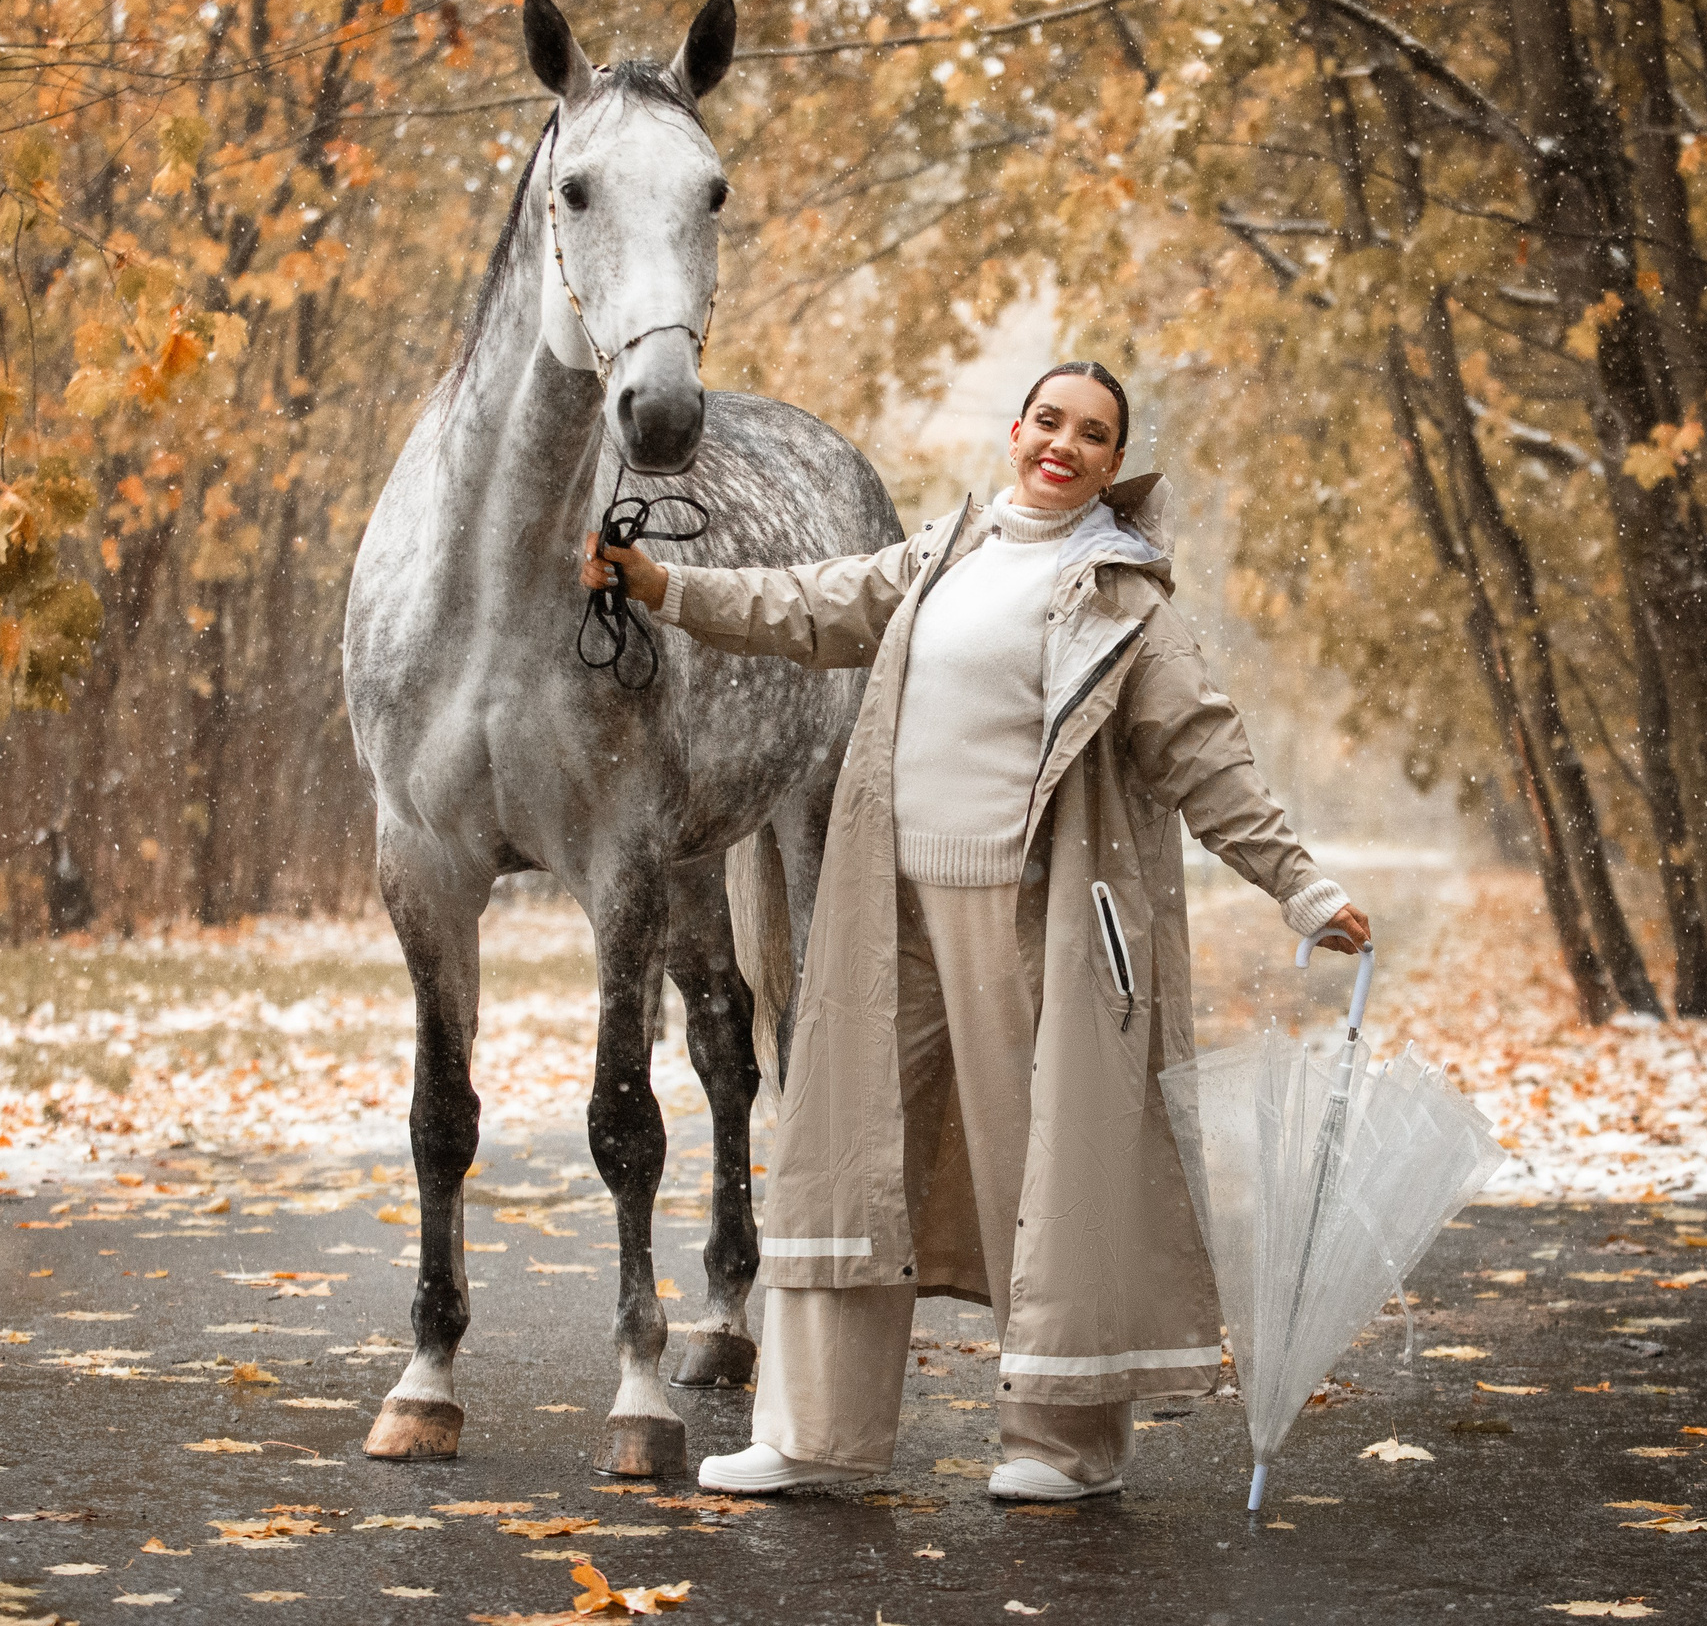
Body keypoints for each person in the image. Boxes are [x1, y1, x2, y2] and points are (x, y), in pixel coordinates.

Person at [580, 361, 1369, 1502]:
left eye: (1090, 433)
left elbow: (1206, 756)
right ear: (1015, 430)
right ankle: (812, 1431)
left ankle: (1064, 1446)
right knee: (844, 1153)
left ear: (1114, 463)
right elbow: (803, 605)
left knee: (1041, 1169)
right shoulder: (942, 557)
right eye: (1048, 420)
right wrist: (660, 583)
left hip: (1032, 918)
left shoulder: (1125, 600)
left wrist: (1300, 887)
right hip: (889, 906)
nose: (1063, 444)